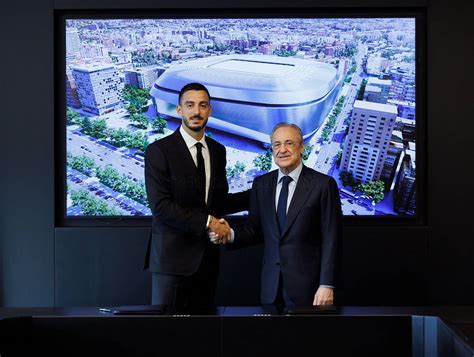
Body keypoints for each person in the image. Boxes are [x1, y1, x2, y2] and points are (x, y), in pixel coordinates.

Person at [210, 122, 342, 307]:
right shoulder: (262, 184)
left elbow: (332, 238)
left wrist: (326, 284)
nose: (282, 150)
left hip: (310, 290)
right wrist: (230, 234)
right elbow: (254, 230)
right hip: (270, 289)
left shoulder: (323, 185)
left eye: (289, 143)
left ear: (302, 146)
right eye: (277, 144)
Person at [144, 82, 249, 313]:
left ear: (209, 111)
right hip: (171, 263)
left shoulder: (218, 150)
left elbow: (219, 202)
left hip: (207, 261)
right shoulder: (158, 151)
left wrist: (262, 191)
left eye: (203, 106)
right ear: (179, 110)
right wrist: (209, 222)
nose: (196, 112)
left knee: (204, 336)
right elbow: (161, 207)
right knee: (168, 337)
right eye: (190, 105)